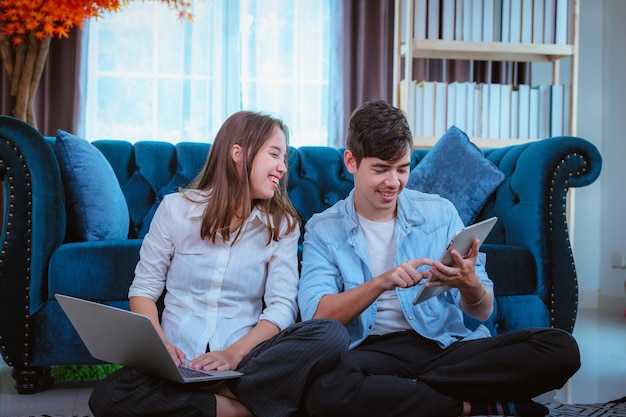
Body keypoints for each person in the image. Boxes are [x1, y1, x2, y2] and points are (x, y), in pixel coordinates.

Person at [297, 100, 581, 417]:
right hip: (370, 351)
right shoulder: (323, 229)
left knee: (561, 348)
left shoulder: (439, 211)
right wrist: (381, 282)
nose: (393, 182)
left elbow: (482, 310)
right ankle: (469, 407)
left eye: (402, 169)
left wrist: (470, 285)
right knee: (325, 389)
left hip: (443, 345)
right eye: (380, 169)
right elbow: (318, 317)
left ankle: (405, 391)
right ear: (351, 161)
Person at [89, 110, 350, 417]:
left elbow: (281, 307)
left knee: (331, 334)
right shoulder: (175, 210)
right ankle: (242, 410)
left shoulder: (282, 225)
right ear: (238, 154)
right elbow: (144, 289)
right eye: (274, 155)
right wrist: (161, 348)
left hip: (246, 362)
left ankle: (220, 398)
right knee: (107, 395)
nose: (282, 168)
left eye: (284, 159)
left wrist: (232, 355)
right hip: (180, 362)